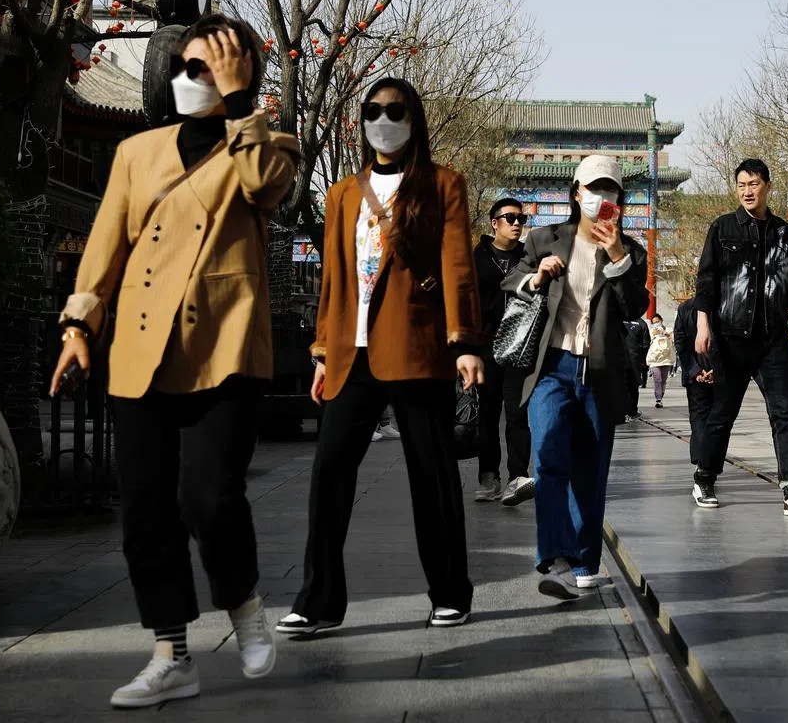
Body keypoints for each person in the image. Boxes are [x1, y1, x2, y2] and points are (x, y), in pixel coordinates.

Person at [50, 14, 298, 708]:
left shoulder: (269, 144)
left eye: (213, 68)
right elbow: (107, 241)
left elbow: (264, 187)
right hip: (139, 346)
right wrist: (78, 324)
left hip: (224, 347)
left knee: (209, 497)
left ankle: (244, 604)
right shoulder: (137, 151)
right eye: (189, 67)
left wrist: (242, 103)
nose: (197, 79)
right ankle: (171, 655)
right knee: (146, 509)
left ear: (241, 75)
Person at [277, 77, 484, 636]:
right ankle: (318, 601)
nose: (383, 120)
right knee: (329, 474)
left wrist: (465, 343)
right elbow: (333, 279)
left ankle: (450, 593)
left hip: (417, 350)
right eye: (373, 111)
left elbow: (457, 266)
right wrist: (323, 351)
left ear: (414, 119)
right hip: (352, 354)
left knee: (433, 476)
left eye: (395, 110)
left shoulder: (443, 184)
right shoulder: (343, 193)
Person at [503, 154, 649, 598]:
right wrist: (537, 277)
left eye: (610, 190)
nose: (601, 197)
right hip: (552, 368)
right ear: (576, 194)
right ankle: (557, 559)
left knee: (590, 471)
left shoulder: (631, 251)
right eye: (593, 188)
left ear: (619, 200)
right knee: (549, 458)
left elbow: (634, 307)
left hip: (600, 372)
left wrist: (618, 256)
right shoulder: (545, 238)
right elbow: (512, 281)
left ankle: (585, 561)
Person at [691, 158, 788, 515]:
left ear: (767, 185)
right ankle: (704, 477)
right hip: (731, 338)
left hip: (773, 340)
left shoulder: (784, 232)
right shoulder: (722, 228)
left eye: (753, 184)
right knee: (722, 414)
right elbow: (707, 280)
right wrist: (703, 324)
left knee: (785, 415)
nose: (747, 191)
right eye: (741, 185)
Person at [473, 197, 535, 504]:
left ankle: (517, 478)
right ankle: (489, 478)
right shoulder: (477, 257)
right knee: (487, 415)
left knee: (517, 414)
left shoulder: (529, 257)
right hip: (485, 347)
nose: (516, 224)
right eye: (510, 218)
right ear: (494, 223)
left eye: (521, 219)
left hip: (520, 347)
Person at [674, 298, 717, 505]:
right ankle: (707, 464)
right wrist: (712, 370)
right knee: (714, 420)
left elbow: (680, 342)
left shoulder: (685, 308)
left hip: (699, 374)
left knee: (700, 418)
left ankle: (702, 464)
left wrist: (694, 370)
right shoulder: (721, 304)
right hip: (713, 373)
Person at [645, 313, 675, 408]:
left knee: (663, 380)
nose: (656, 324)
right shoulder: (651, 331)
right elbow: (647, 342)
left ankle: (660, 397)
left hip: (666, 359)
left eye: (657, 322)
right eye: (654, 323)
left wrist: (666, 334)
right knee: (658, 379)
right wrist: (653, 335)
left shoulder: (669, 330)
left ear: (661, 320)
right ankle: (658, 398)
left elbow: (674, 341)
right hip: (654, 359)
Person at [622, 319, 645, 419]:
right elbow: (646, 344)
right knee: (633, 386)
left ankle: (622, 412)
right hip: (635, 359)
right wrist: (643, 359)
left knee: (621, 386)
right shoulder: (641, 323)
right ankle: (632, 411)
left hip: (619, 358)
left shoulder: (617, 319)